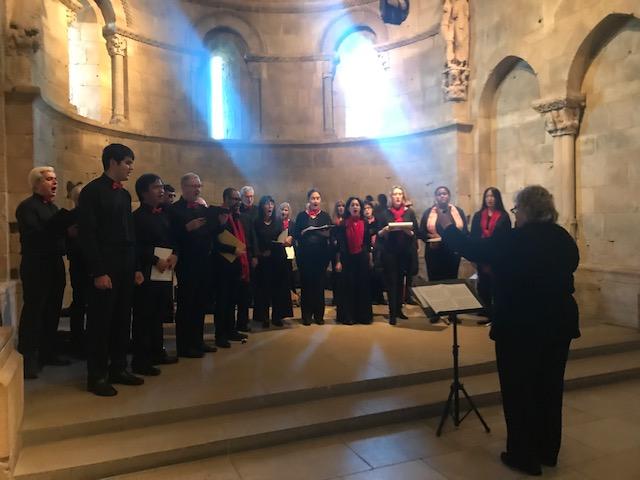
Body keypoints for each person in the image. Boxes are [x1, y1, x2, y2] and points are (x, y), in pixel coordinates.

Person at [438, 185, 580, 476]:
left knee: (519, 390)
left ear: (526, 210)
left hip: (520, 325)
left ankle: (523, 455)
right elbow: (570, 265)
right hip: (558, 323)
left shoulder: (514, 239)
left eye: (517, 210)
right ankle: (547, 450)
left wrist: (449, 228)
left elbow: (475, 249)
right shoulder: (563, 238)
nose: (515, 215)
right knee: (549, 388)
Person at [78, 144, 144, 396]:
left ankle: (118, 368)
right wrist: (98, 271)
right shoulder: (92, 192)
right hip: (105, 266)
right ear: (113, 162)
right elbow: (88, 235)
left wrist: (136, 267)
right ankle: (96, 376)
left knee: (122, 320)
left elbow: (130, 234)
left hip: (126, 265)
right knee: (100, 323)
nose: (131, 167)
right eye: (127, 162)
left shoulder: (125, 195)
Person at [16, 167, 71, 378]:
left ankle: (48, 352)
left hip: (55, 262)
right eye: (49, 179)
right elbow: (33, 235)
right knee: (34, 310)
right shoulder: (27, 207)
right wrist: (58, 227)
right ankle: (28, 357)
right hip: (36, 264)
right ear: (37, 183)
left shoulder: (54, 208)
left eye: (55, 179)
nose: (54, 182)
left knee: (53, 308)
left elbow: (58, 235)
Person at [132, 174, 179, 376]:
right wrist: (154, 259)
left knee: (158, 314)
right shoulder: (136, 217)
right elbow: (135, 246)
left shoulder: (164, 214)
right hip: (146, 272)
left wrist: (175, 254)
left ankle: (157, 352)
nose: (161, 191)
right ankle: (141, 361)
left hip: (164, 272)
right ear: (144, 192)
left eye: (162, 187)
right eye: (156, 187)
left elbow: (173, 239)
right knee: (144, 316)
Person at [169, 173, 218, 358]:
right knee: (186, 305)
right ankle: (184, 345)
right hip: (187, 264)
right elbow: (170, 236)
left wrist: (219, 224)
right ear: (184, 187)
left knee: (200, 304)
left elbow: (210, 232)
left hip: (204, 262)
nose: (197, 189)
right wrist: (186, 229)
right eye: (193, 186)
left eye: (199, 186)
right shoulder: (174, 210)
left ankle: (198, 341)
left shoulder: (202, 209)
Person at [212, 188, 253, 347]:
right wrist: (232, 250)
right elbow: (215, 241)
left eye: (238, 199)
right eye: (235, 199)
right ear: (226, 199)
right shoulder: (218, 215)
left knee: (232, 301)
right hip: (222, 265)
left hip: (236, 264)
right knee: (222, 302)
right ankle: (220, 335)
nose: (238, 202)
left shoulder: (237, 217)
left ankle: (231, 330)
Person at [376, 186, 418, 325]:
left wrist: (409, 232)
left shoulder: (409, 212)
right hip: (389, 252)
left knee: (401, 282)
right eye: (395, 194)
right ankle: (392, 313)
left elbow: (415, 232)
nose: (398, 196)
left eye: (400, 194)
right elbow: (378, 233)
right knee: (392, 283)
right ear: (391, 197)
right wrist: (385, 230)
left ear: (403, 197)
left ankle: (399, 310)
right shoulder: (385, 213)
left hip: (404, 253)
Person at [470, 187, 511, 325]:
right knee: (483, 285)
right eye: (487, 196)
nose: (490, 199)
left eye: (493, 196)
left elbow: (506, 238)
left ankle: (497, 314)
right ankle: (487, 312)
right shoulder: (478, 215)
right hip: (482, 255)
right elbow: (473, 236)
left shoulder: (504, 216)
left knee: (497, 285)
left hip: (497, 256)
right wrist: (474, 256)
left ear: (497, 198)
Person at [293, 189, 333, 326]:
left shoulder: (325, 216)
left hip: (320, 256)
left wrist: (324, 234)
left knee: (319, 286)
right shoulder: (301, 216)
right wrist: (304, 232)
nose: (315, 201)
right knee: (306, 286)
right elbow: (296, 234)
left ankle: (319, 316)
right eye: (313, 198)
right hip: (305, 256)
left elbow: (330, 234)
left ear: (320, 200)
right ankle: (306, 316)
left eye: (317, 198)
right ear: (308, 200)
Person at [252, 196, 293, 327]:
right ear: (262, 207)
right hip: (264, 260)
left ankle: (277, 316)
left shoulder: (278, 221)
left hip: (278, 258)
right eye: (267, 204)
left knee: (279, 289)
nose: (270, 206)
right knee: (263, 290)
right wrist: (259, 254)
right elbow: (254, 241)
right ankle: (263, 317)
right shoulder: (256, 222)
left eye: (271, 204)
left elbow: (283, 236)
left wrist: (288, 240)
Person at [334, 197, 373, 325]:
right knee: (348, 288)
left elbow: (368, 243)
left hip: (362, 259)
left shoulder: (365, 223)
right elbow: (340, 245)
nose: (355, 207)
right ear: (348, 208)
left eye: (357, 205)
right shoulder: (343, 224)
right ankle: (349, 316)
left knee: (362, 287)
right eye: (352, 205)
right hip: (348, 259)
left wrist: (369, 258)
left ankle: (363, 317)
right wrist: (338, 261)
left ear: (360, 208)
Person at [419, 186, 468, 281]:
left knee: (451, 280)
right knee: (435, 281)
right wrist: (431, 237)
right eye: (439, 194)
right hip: (434, 252)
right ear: (435, 197)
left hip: (452, 252)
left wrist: (457, 240)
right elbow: (421, 232)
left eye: (444, 194)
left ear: (449, 196)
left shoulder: (458, 211)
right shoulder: (428, 213)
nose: (442, 196)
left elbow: (465, 231)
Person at [66, 182, 87, 358]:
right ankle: (78, 342)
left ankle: (81, 341)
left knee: (81, 303)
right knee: (80, 303)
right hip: (80, 265)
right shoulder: (70, 217)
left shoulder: (91, 215)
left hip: (85, 264)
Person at [364, 201, 385, 305]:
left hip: (378, 250)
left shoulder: (378, 221)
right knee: (368, 274)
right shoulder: (362, 222)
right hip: (366, 250)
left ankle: (379, 297)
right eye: (365, 208)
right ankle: (370, 297)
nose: (367, 210)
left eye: (369, 208)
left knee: (379, 274)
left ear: (372, 209)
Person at [279, 202, 298, 302]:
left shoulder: (293, 224)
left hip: (289, 250)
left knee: (290, 272)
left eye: (286, 210)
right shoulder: (277, 223)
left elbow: (295, 237)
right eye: (282, 210)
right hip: (279, 251)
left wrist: (291, 239)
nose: (284, 212)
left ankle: (292, 293)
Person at [331, 200, 346, 316]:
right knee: (336, 274)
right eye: (339, 206)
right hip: (335, 250)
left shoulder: (347, 220)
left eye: (343, 206)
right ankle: (336, 297)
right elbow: (331, 235)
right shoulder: (333, 221)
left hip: (344, 250)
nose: (341, 208)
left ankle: (343, 297)